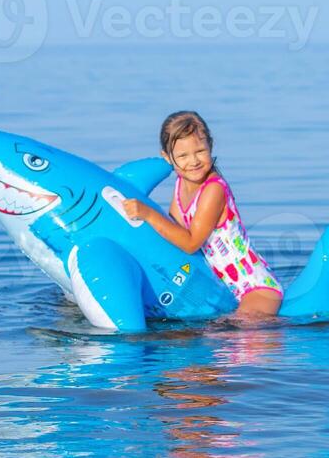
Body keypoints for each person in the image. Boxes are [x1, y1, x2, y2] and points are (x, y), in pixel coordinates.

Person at [122, 111, 284, 318]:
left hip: (254, 289)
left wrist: (149, 214)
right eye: (182, 156)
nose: (193, 161)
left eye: (200, 151)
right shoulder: (181, 184)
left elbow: (191, 243)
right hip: (220, 289)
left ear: (210, 145)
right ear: (167, 157)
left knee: (231, 333)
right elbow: (175, 232)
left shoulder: (213, 190)